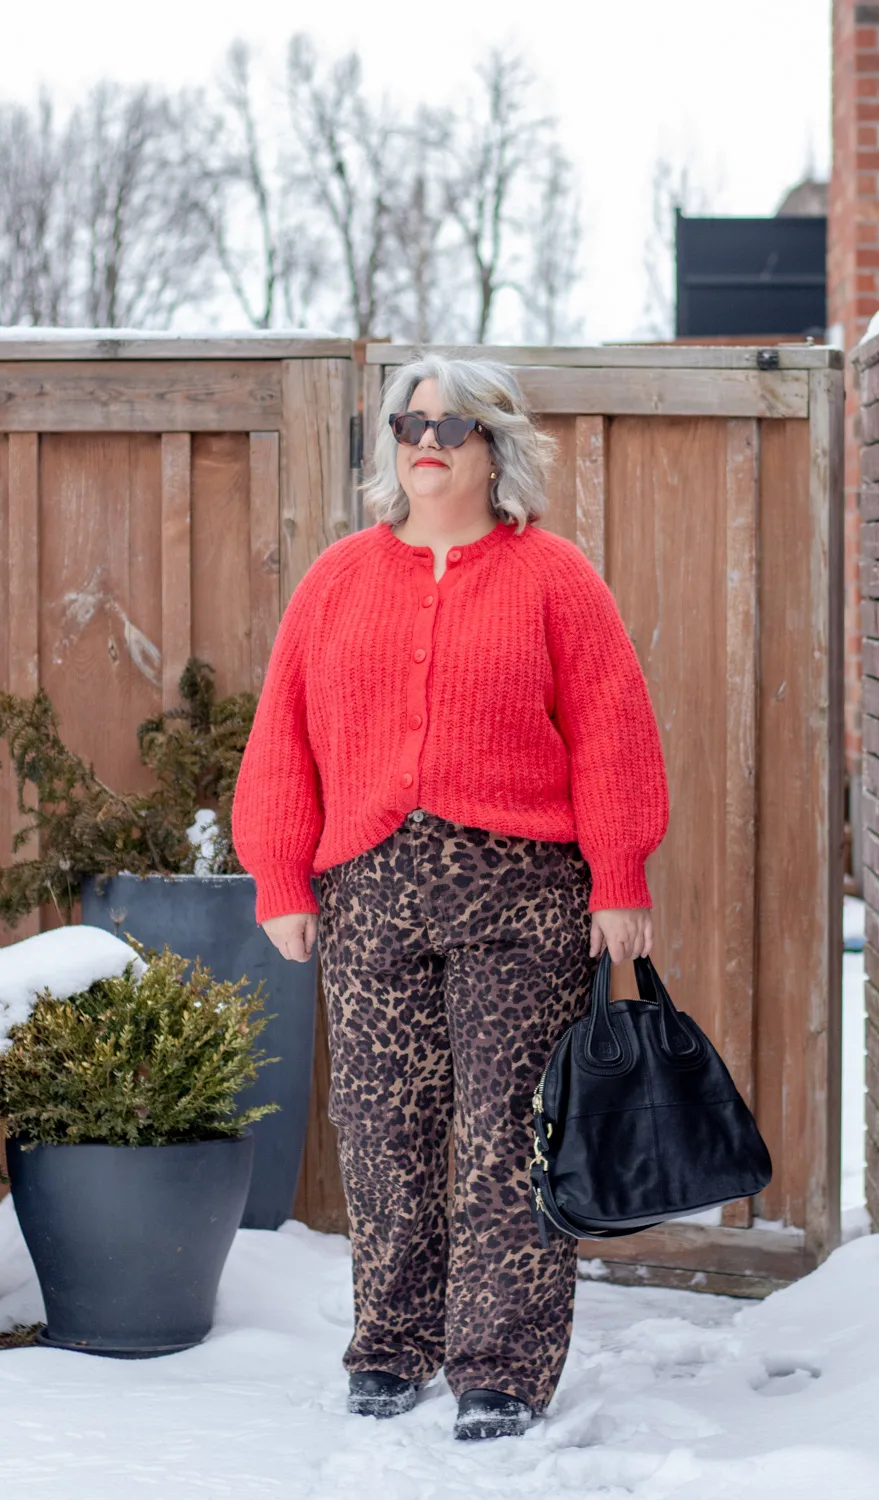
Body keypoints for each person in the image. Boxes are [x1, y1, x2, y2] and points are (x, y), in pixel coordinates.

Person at [231, 354, 669, 1441]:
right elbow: (281, 734)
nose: (427, 440)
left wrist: (620, 876)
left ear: (495, 446)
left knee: (510, 1136)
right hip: (370, 891)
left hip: (523, 897)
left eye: (453, 424)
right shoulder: (337, 579)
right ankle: (390, 1343)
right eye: (409, 422)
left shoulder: (554, 576)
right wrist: (281, 874)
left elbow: (614, 733)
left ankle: (503, 1365)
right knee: (384, 1133)